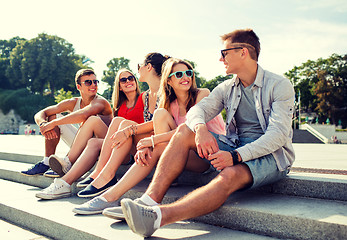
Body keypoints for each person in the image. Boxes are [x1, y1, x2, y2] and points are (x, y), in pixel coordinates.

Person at [120, 29, 296, 238]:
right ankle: (148, 202)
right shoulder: (227, 88)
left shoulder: (279, 85)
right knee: (185, 131)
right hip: (236, 145)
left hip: (271, 156)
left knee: (230, 174)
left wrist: (235, 156)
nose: (220, 59)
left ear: (243, 52)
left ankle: (158, 217)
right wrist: (201, 128)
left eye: (224, 53)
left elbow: (277, 136)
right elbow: (198, 111)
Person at [71, 58, 225, 215]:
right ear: (169, 80)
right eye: (179, 74)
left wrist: (151, 141)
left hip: (209, 155)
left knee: (156, 146)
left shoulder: (202, 94)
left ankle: (110, 196)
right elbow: (154, 124)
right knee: (159, 115)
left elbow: (188, 130)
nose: (185, 77)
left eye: (188, 73)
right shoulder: (171, 103)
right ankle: (111, 195)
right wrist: (129, 131)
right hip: (185, 153)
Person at [35, 53, 169, 200]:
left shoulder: (143, 97)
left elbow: (158, 123)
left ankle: (87, 169)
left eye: (131, 78)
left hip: (141, 143)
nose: (128, 81)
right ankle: (64, 182)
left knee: (114, 122)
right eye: (123, 80)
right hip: (124, 142)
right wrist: (43, 123)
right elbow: (46, 112)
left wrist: (128, 130)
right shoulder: (123, 105)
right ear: (119, 86)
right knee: (95, 140)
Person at [21, 69, 113, 177]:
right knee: (52, 116)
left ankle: (67, 163)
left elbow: (83, 115)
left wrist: (53, 123)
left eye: (95, 81)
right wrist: (43, 125)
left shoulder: (101, 102)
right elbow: (42, 112)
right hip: (83, 144)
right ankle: (46, 162)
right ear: (79, 87)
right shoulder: (73, 102)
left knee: (87, 119)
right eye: (88, 82)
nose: (93, 85)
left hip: (102, 146)